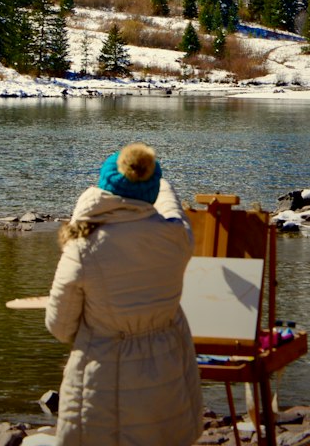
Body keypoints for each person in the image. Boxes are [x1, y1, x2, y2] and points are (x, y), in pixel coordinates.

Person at [44, 142, 204, 446]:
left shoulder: (83, 246)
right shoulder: (177, 237)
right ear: (152, 192)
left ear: (103, 189)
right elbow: (171, 206)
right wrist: (156, 179)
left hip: (100, 384)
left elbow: (59, 327)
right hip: (166, 376)